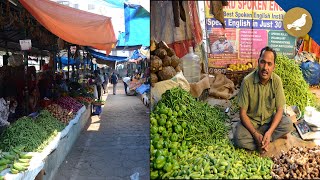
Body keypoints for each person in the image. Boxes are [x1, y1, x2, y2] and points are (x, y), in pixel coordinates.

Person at [234, 46, 293, 153]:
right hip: (252, 124)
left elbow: (280, 109)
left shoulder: (276, 81)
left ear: (274, 67)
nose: (265, 67)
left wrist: (270, 132)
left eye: (269, 64)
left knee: (288, 123)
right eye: (263, 62)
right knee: (238, 138)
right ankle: (262, 140)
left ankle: (265, 139)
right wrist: (255, 134)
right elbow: (242, 113)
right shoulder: (247, 81)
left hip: (269, 122)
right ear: (258, 62)